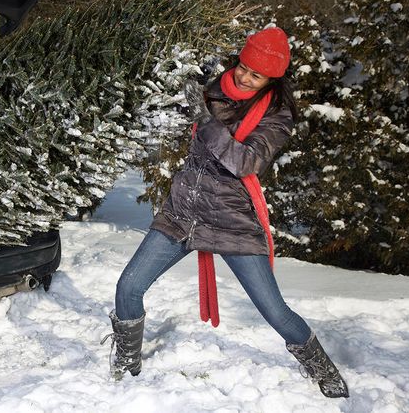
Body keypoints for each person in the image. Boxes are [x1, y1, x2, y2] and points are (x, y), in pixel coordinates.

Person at [103, 27, 349, 398]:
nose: (246, 77)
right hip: (183, 212)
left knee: (274, 310)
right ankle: (125, 363)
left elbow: (245, 161)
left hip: (232, 220)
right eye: (244, 68)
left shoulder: (277, 117)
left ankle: (323, 370)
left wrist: (205, 121)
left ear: (272, 79)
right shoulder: (211, 86)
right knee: (128, 286)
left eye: (257, 75)